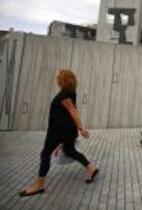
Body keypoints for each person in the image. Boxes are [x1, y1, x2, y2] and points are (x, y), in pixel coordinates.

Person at [19, 69, 99, 197]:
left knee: (45, 153)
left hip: (59, 129)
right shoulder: (71, 93)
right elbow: (72, 111)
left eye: (59, 78)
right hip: (67, 129)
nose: (57, 80)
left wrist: (81, 128)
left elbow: (73, 111)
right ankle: (91, 168)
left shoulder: (65, 94)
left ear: (63, 80)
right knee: (70, 150)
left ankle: (39, 185)